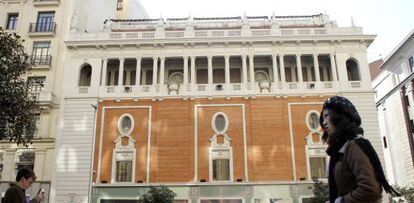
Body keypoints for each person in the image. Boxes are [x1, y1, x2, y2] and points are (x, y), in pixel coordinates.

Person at [319, 96, 399, 203]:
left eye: (327, 116)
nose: (324, 123)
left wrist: (341, 201)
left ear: (339, 117)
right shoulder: (340, 149)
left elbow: (370, 189)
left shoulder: (353, 146)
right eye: (323, 119)